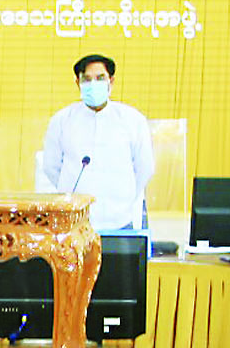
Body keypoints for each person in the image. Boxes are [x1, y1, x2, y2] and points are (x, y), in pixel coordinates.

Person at [40, 53, 155, 231]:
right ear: (78, 83)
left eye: (100, 78)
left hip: (120, 220)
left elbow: (144, 168)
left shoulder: (132, 120)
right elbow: (51, 167)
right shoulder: (62, 120)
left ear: (111, 81)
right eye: (87, 79)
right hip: (75, 222)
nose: (93, 84)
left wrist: (124, 196)